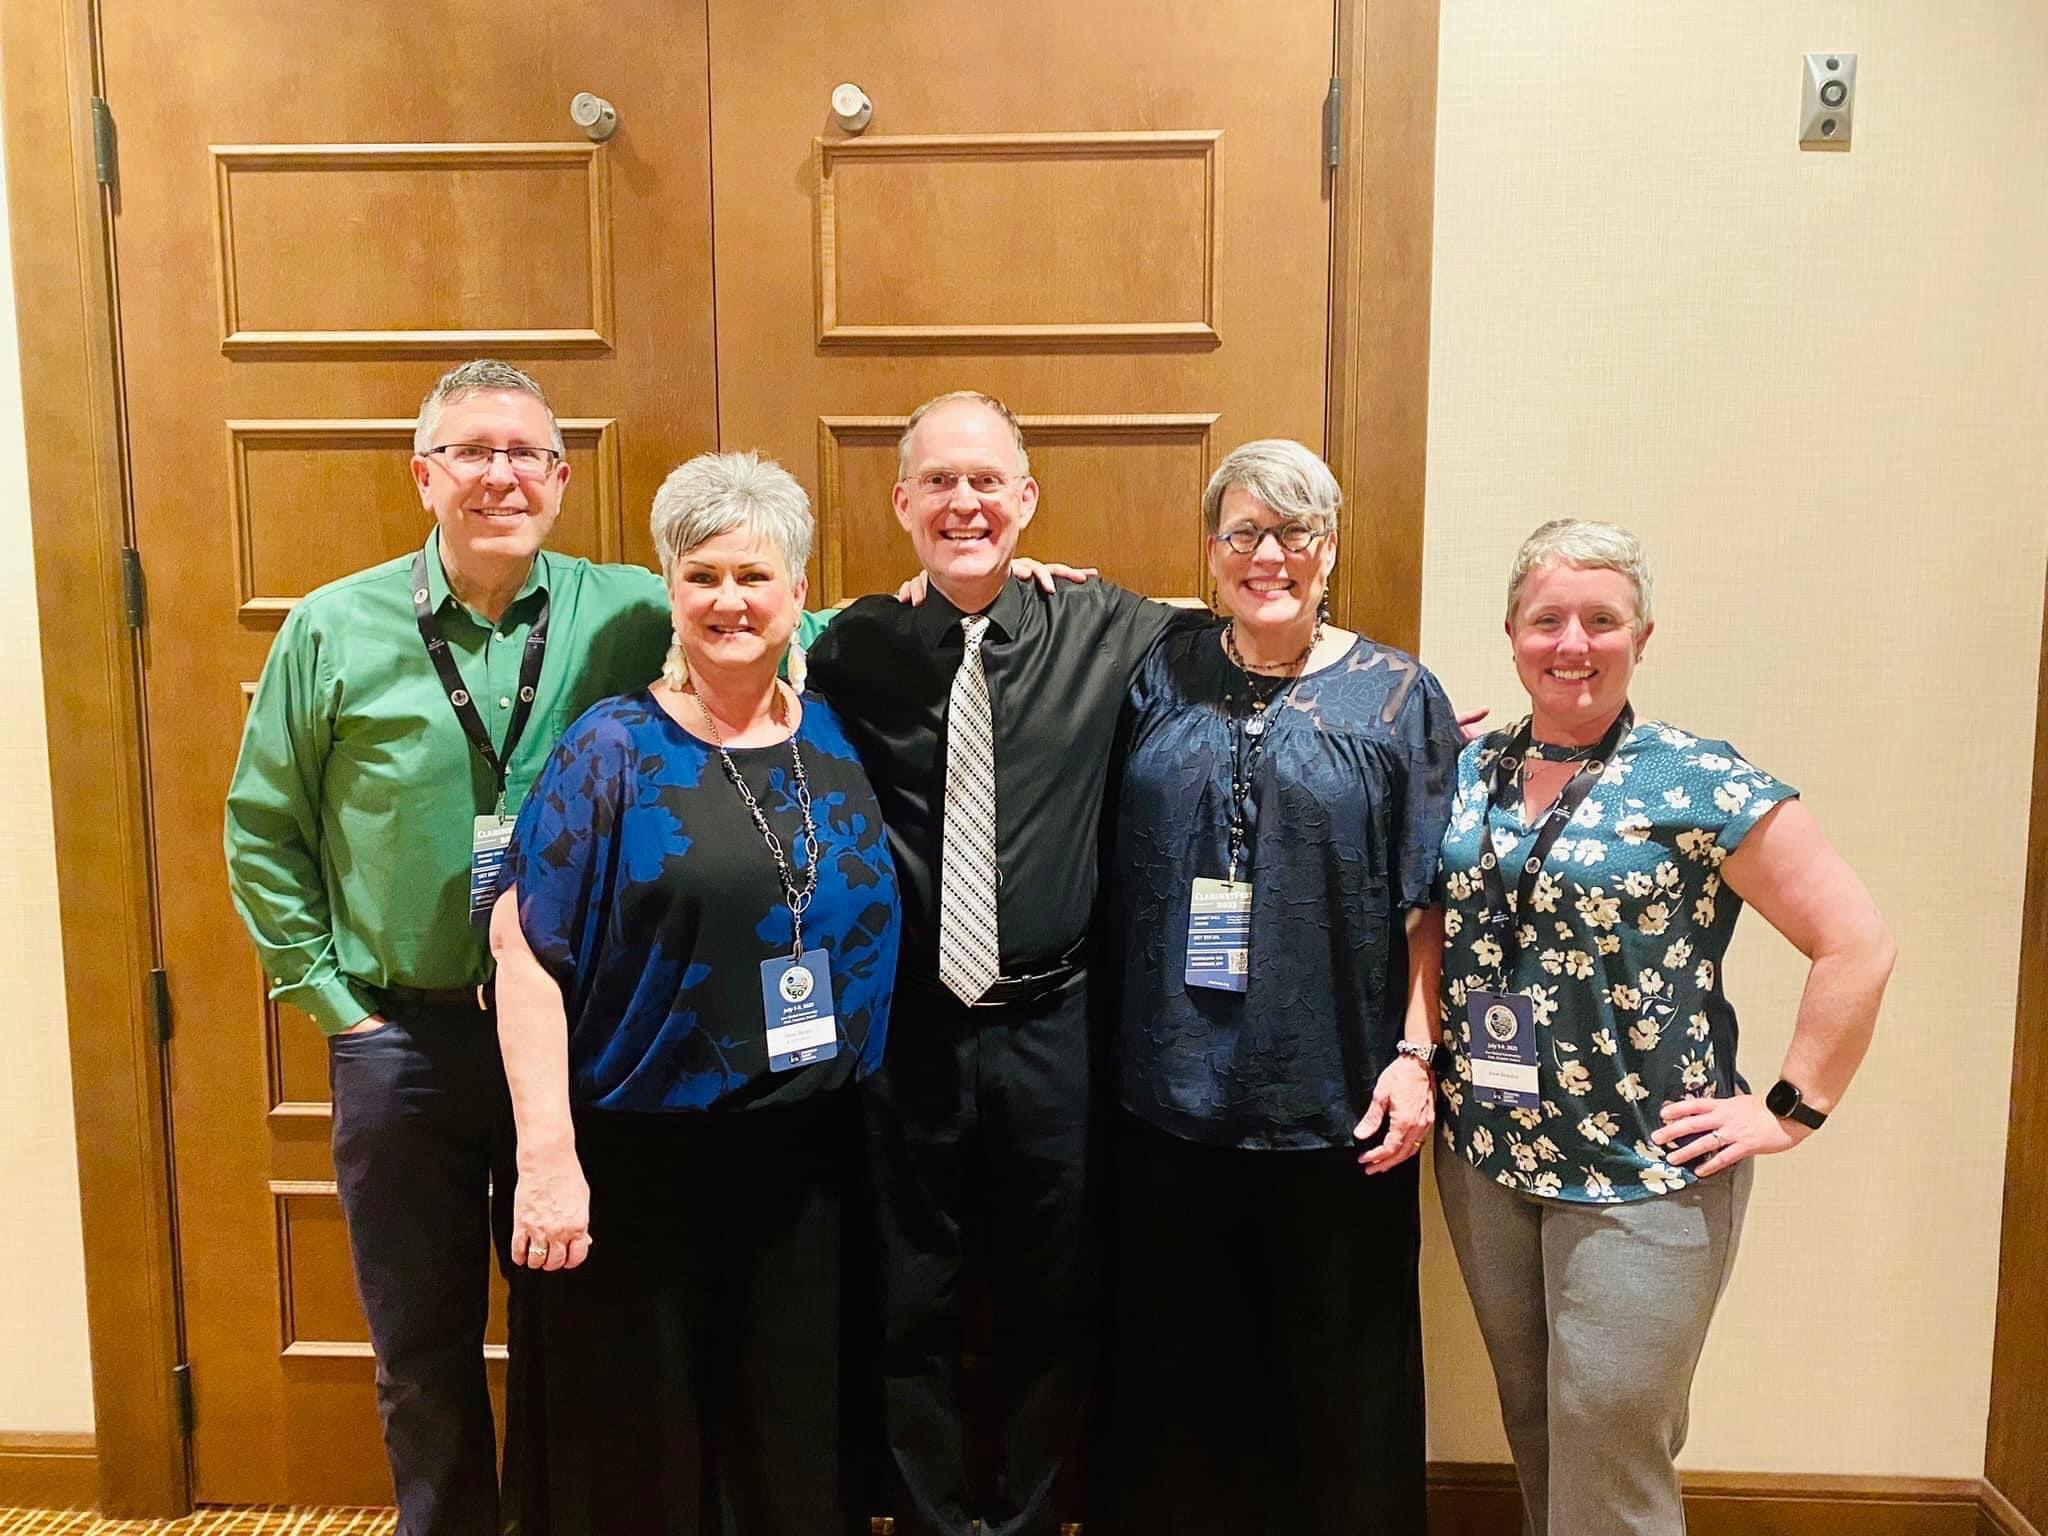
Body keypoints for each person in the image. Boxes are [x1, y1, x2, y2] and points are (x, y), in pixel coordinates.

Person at [224, 359, 679, 1536]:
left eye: (525, 453)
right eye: (472, 451)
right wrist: (338, 1009)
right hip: (400, 1043)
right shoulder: (331, 627)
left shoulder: (628, 610)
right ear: (424, 474)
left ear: (562, 479)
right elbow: (262, 830)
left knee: (574, 1335)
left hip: (576, 1045)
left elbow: (778, 617)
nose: (500, 475)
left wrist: (989, 587)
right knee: (419, 1350)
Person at [1432, 519, 1895, 1536]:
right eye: (1545, 619)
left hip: (1643, 1169)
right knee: (1536, 1421)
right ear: (1509, 634)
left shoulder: (1697, 779)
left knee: (1609, 1432)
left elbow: (1853, 941)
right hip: (1485, 1157)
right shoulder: (1463, 771)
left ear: (1641, 638)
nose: (1571, 644)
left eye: (1600, 621)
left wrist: (1787, 1110)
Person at [804, 391, 1206, 1536]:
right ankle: (929, 1520)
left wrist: (1401, 722)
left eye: (986, 481)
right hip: (904, 1031)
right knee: (907, 1297)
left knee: (1050, 1299)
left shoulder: (1111, 625)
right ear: (901, 503)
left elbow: (1248, 631)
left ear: (1026, 501)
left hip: (1054, 1028)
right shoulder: (850, 646)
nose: (963, 502)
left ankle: (1030, 1519)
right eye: (938, 481)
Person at [488, 450, 900, 1535]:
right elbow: (525, 954)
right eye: (702, 575)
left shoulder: (830, 735)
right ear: (669, 589)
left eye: (754, 576)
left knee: (786, 1447)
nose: (729, 601)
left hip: (807, 1158)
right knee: (643, 1462)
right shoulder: (610, 749)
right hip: (639, 1162)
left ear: (798, 592)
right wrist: (546, 1162)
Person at [1103, 439, 1461, 1536]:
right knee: (1179, 1383)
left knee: (1335, 1382)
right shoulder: (1155, 673)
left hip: (1335, 1102)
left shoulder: (1397, 693)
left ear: (1330, 548)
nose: (1270, 555)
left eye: (1295, 532)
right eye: (1244, 532)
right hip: (1166, 1097)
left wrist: (1416, 1056)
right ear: (1210, 551)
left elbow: (1432, 898)